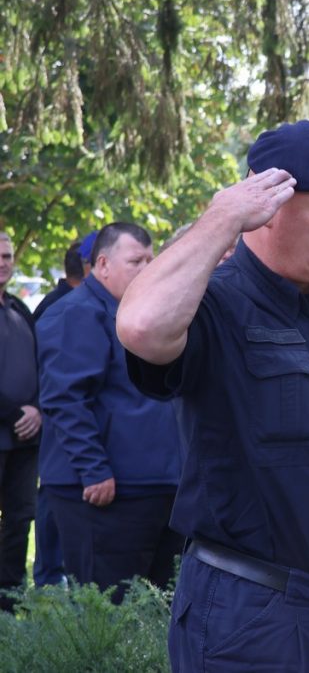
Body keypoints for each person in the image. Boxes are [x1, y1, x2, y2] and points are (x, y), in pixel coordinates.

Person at [117, 120, 309, 671]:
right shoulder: (215, 302)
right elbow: (141, 327)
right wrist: (222, 218)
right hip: (253, 621)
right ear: (266, 207)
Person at [36, 223, 181, 603]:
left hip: (155, 485)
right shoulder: (76, 313)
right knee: (111, 614)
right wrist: (93, 469)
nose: (147, 268)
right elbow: (66, 398)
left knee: (155, 612)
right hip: (105, 492)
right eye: (136, 261)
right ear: (102, 264)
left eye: (151, 260)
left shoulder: (136, 313)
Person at [30, 240, 88, 589]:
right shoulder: (60, 309)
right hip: (56, 431)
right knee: (52, 502)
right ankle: (49, 579)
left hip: (63, 430)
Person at [0, 232, 42, 611]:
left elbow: (41, 365)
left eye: (8, 255)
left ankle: (10, 597)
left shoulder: (19, 308)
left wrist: (38, 408)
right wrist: (15, 413)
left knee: (19, 518)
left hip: (26, 439)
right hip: (6, 426)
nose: (4, 262)